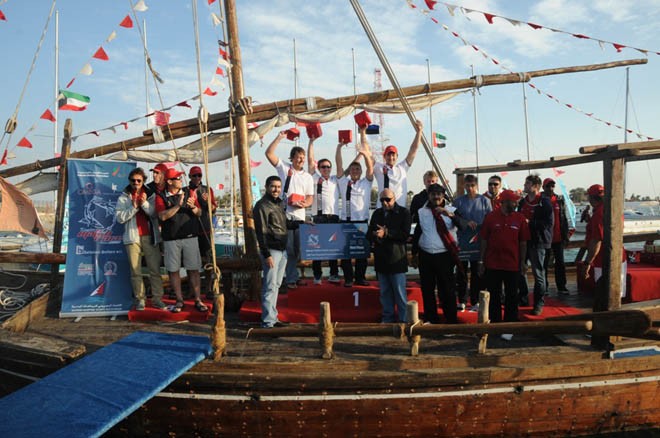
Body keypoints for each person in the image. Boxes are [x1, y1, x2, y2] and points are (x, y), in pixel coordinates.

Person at [265, 132, 314, 289]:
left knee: (299, 250)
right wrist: (279, 138)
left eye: (303, 157)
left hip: (300, 217)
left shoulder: (307, 177)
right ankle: (290, 279)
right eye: (298, 157)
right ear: (292, 158)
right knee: (289, 250)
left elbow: (310, 197)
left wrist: (304, 204)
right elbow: (269, 154)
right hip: (284, 217)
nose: (301, 160)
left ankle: (294, 275)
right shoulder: (285, 168)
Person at [155, 167, 208, 313]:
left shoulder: (189, 193)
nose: (180, 180)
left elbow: (200, 213)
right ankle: (179, 300)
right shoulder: (161, 196)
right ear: (170, 181)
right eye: (177, 178)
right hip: (171, 239)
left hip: (190, 236)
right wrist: (178, 205)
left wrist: (193, 208)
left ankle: (198, 299)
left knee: (194, 269)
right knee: (173, 270)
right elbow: (162, 216)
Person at [411, 184, 463, 324]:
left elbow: (462, 226)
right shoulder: (421, 211)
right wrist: (414, 253)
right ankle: (431, 318)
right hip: (426, 254)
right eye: (433, 194)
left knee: (447, 289)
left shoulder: (452, 210)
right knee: (427, 289)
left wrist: (449, 215)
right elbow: (417, 233)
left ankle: (451, 319)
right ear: (428, 195)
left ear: (443, 195)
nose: (436, 197)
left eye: (439, 194)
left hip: (444, 255)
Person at [115, 167, 165, 311]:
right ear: (129, 181)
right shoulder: (124, 196)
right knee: (135, 271)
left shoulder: (150, 194)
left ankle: (157, 299)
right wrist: (134, 207)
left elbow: (155, 213)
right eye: (133, 180)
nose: (136, 182)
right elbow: (119, 218)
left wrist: (143, 203)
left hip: (150, 235)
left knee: (154, 269)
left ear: (143, 181)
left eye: (139, 180)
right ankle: (140, 299)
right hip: (132, 237)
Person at [478, 190, 530, 327]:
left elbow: (523, 242)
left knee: (512, 295)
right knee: (494, 295)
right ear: (505, 202)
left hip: (512, 264)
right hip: (493, 263)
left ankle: (510, 322)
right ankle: (495, 322)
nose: (516, 203)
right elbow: (484, 239)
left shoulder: (520, 218)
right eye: (514, 201)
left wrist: (523, 262)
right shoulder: (490, 217)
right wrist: (481, 261)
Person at [579, 184, 627, 311]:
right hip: (618, 256)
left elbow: (597, 241)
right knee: (616, 294)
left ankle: (603, 322)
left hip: (603, 259)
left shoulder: (599, 214)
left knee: (603, 294)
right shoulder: (614, 209)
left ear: (591, 198)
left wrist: (587, 263)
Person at [337, 125, 374, 287]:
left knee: (361, 254)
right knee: (345, 254)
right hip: (345, 222)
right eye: (352, 168)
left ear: (361, 171)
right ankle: (348, 279)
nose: (355, 170)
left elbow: (370, 168)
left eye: (357, 168)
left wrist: (365, 155)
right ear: (349, 171)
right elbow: (338, 165)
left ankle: (360, 278)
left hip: (361, 223)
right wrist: (339, 147)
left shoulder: (366, 182)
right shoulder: (343, 182)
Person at [367, 188, 411, 322]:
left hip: (397, 259)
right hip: (381, 259)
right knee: (384, 293)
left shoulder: (404, 212)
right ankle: (388, 319)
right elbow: (369, 233)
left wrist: (386, 233)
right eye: (382, 200)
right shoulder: (377, 213)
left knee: (400, 293)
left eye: (388, 200)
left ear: (394, 198)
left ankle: (404, 320)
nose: (385, 203)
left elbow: (405, 235)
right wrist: (374, 235)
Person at [253, 176, 291, 328]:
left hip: (282, 249)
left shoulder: (279, 203)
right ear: (267, 187)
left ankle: (273, 317)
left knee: (276, 285)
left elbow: (284, 224)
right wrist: (266, 253)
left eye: (278, 187)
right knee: (269, 285)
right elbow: (260, 232)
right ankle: (268, 321)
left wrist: (302, 223)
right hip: (272, 250)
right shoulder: (262, 206)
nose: (276, 189)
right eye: (273, 186)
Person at [453, 174, 492, 312]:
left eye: (472, 186)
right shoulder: (458, 202)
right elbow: (453, 218)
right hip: (462, 242)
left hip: (478, 242)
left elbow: (489, 220)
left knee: (477, 272)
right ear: (464, 186)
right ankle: (462, 300)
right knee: (461, 272)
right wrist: (466, 222)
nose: (470, 188)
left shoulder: (485, 201)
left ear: (477, 186)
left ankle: (475, 300)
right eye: (467, 185)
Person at [517, 174, 554, 315]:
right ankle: (523, 297)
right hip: (523, 241)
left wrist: (530, 223)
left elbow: (548, 224)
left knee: (538, 273)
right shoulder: (522, 202)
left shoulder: (544, 202)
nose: (525, 186)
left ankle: (539, 303)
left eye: (527, 184)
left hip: (538, 242)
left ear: (536, 187)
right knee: (521, 269)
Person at [307, 137, 341, 285]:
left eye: (328, 167)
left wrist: (340, 146)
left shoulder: (335, 179)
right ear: (319, 168)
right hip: (318, 217)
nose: (326, 169)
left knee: (333, 248)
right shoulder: (314, 178)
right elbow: (310, 160)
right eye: (323, 167)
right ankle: (317, 276)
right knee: (317, 249)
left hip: (333, 217)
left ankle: (334, 274)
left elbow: (341, 165)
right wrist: (311, 142)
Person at [372, 120, 423, 207]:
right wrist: (362, 133)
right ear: (384, 156)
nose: (391, 158)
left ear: (397, 156)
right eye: (388, 155)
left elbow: (413, 150)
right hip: (382, 210)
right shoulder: (378, 168)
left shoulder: (402, 167)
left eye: (393, 155)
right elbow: (368, 156)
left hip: (399, 212)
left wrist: (419, 132)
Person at [188, 165, 218, 297]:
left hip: (205, 229)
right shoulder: (185, 190)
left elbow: (213, 209)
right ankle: (192, 289)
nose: (197, 178)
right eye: (194, 175)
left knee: (208, 261)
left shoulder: (207, 190)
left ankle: (209, 288)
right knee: (190, 262)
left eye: (199, 175)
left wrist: (208, 202)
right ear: (190, 176)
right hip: (190, 229)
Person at [541, 178, 570, 294]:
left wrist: (566, 235)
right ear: (543, 187)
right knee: (544, 264)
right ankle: (544, 287)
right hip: (545, 238)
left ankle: (562, 286)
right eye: (548, 186)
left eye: (552, 186)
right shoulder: (540, 200)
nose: (550, 188)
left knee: (560, 263)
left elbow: (564, 218)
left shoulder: (559, 200)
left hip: (558, 238)